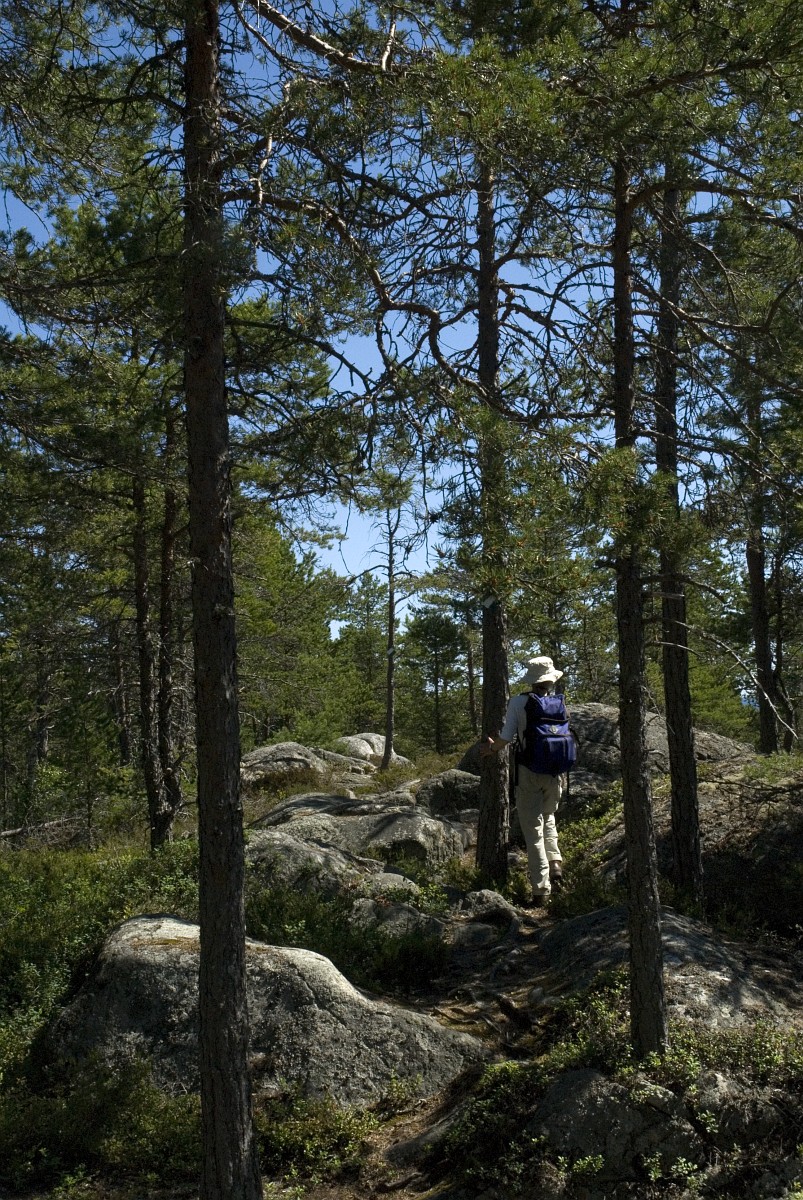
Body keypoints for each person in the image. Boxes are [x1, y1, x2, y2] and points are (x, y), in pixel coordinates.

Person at [480, 655, 566, 905]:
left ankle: (541, 891)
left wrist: (491, 749)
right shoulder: (557, 701)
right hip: (554, 772)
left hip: (528, 772)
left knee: (533, 832)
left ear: (531, 680)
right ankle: (556, 862)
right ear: (550, 680)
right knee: (548, 817)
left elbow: (506, 737)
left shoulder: (519, 702)